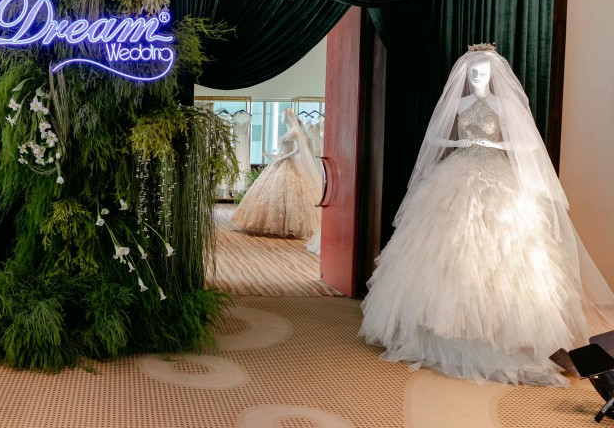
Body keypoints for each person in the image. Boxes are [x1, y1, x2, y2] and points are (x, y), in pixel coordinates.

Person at [360, 44, 614, 386]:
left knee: (502, 247)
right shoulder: (459, 103)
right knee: (445, 247)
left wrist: (495, 145)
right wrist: (460, 144)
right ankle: (439, 330)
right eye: (473, 72)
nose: (477, 76)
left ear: (493, 74)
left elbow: (528, 144)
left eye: (482, 71)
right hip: (458, 174)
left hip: (497, 175)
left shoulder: (503, 105)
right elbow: (435, 136)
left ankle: (504, 336)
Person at [232, 108, 321, 238]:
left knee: (290, 192)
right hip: (281, 162)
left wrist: (281, 158)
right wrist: (271, 156)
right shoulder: (289, 131)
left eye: (283, 115)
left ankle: (289, 225)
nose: (281, 118)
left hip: (288, 164)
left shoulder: (295, 132)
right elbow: (283, 152)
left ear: (288, 117)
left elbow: (297, 150)